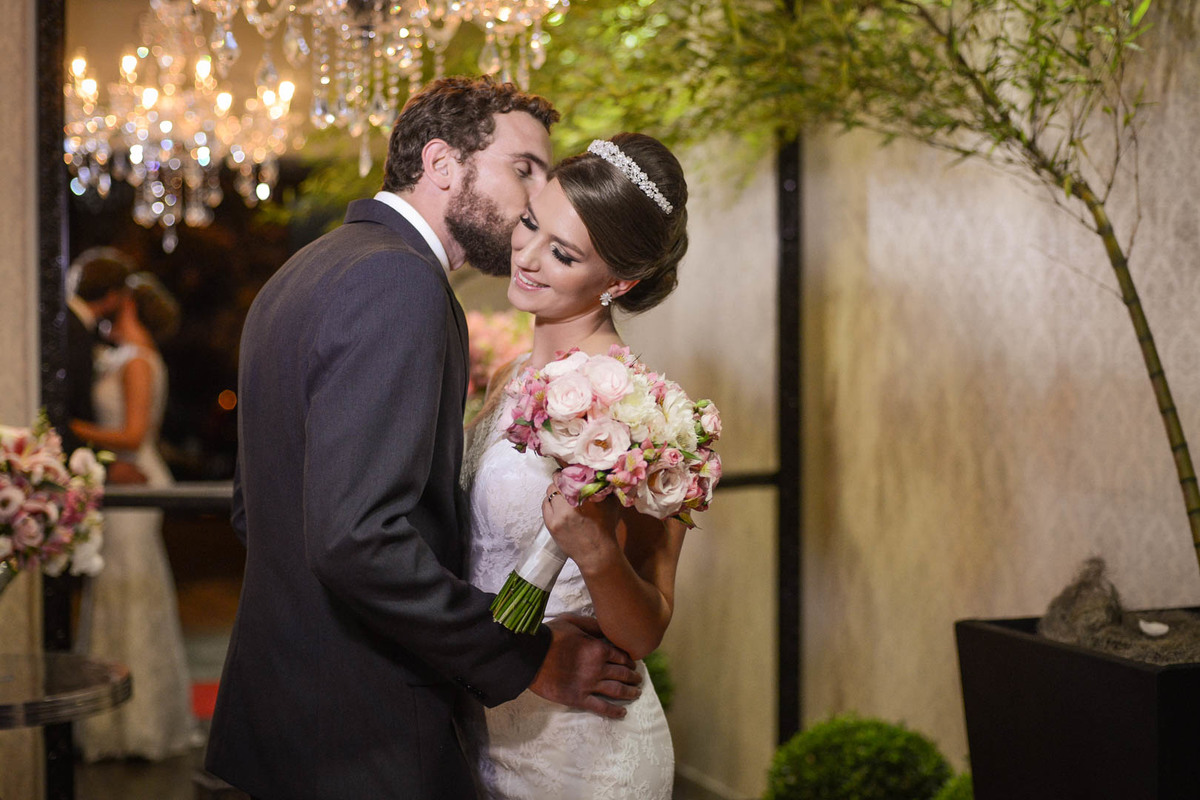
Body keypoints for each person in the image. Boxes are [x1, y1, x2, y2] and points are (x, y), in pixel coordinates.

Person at [204, 77, 643, 800]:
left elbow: (258, 513)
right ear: (442, 164)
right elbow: (355, 537)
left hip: (291, 717)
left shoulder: (302, 271)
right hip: (365, 731)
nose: (536, 201)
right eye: (523, 169)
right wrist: (519, 654)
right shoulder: (398, 282)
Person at [461, 133, 690, 799]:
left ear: (619, 283)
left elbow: (646, 626)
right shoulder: (509, 375)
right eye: (531, 221)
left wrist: (594, 553)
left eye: (562, 254)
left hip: (582, 751)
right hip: (490, 717)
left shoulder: (641, 412)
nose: (526, 256)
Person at [69, 271, 198, 761]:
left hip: (134, 480)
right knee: (115, 590)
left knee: (128, 588)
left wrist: (69, 425)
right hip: (119, 479)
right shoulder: (124, 357)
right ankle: (115, 721)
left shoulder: (139, 360)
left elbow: (134, 435)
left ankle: (140, 721)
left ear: (129, 307)